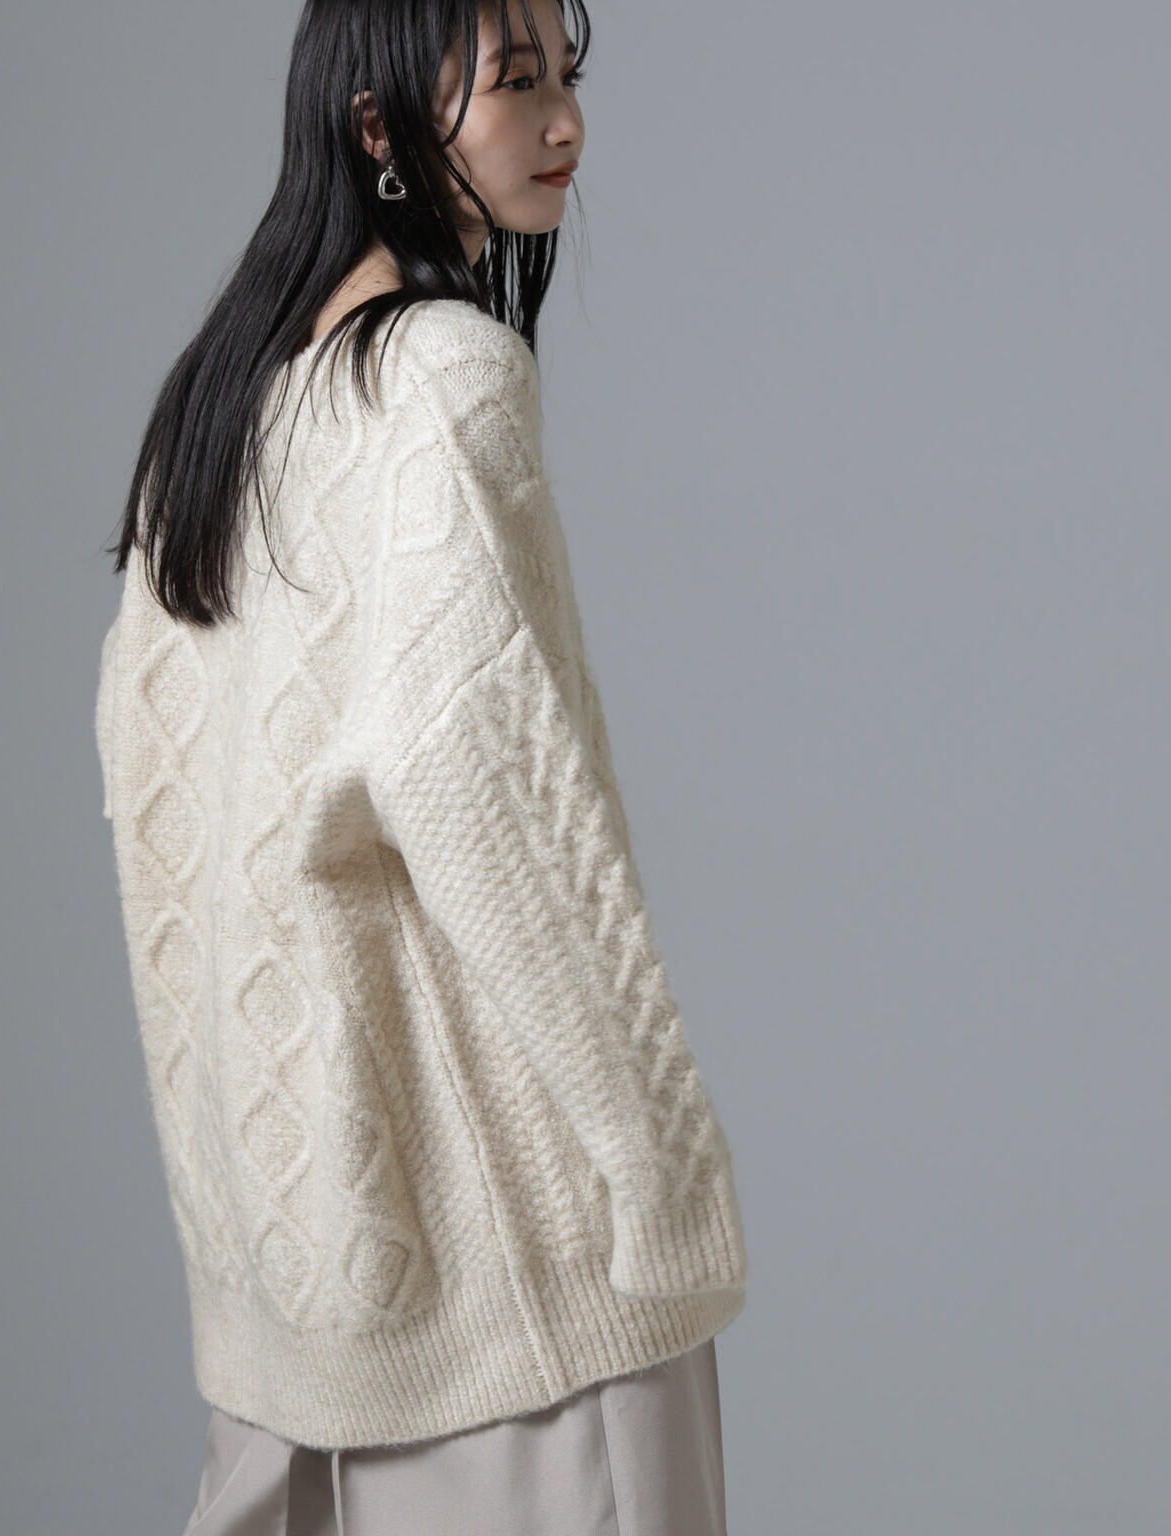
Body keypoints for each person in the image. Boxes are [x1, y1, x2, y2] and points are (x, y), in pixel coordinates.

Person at [94, 0, 749, 1530]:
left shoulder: (214, 416)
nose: (565, 121)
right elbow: (480, 788)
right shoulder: (447, 378)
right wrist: (656, 1163)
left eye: (566, 74)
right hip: (521, 1284)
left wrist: (251, 1232)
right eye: (515, 83)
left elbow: (157, 816)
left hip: (300, 1300)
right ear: (379, 127)